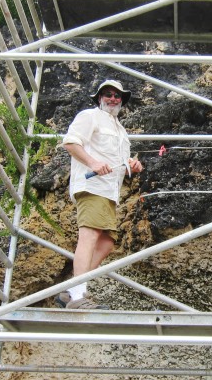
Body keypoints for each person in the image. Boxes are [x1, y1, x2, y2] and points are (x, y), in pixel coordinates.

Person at [56, 80, 143, 309]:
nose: (113, 98)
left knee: (106, 243)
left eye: (117, 95)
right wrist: (93, 163)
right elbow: (71, 143)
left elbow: (121, 166)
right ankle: (78, 296)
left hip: (109, 192)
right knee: (90, 236)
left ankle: (70, 289)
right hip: (92, 187)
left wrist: (132, 166)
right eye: (108, 94)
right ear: (99, 98)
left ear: (122, 100)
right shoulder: (89, 116)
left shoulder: (122, 131)